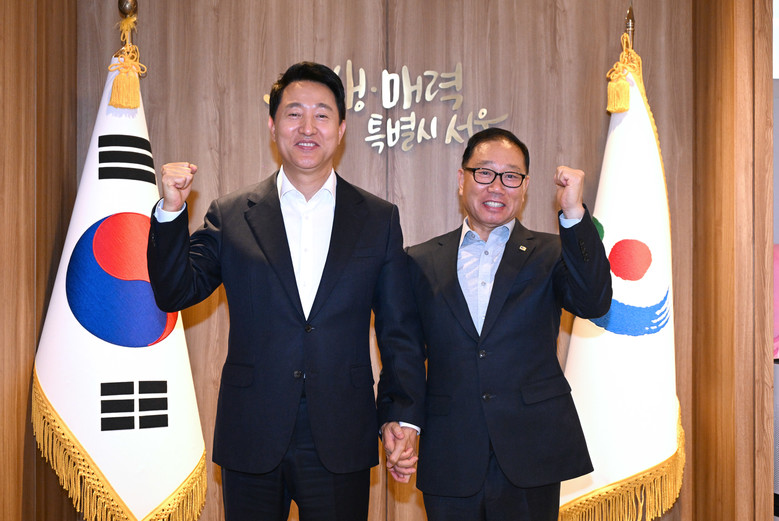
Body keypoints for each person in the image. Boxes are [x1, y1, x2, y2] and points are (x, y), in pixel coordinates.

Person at [146, 61, 426, 521]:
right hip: (252, 431)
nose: (307, 127)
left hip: (341, 433)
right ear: (273, 126)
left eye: (322, 115)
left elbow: (400, 331)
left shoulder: (378, 219)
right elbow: (174, 291)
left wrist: (401, 413)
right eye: (294, 113)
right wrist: (172, 211)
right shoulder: (231, 214)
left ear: (341, 129)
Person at [399, 128, 612, 521]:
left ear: (525, 187)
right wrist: (403, 420)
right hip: (451, 451)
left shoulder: (551, 253)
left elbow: (594, 302)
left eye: (511, 176)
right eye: (484, 172)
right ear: (461, 178)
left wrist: (573, 213)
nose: (497, 186)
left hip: (532, 450)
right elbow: (406, 353)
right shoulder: (419, 260)